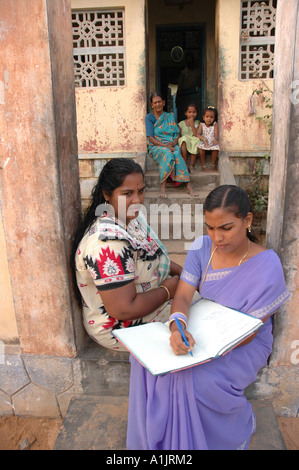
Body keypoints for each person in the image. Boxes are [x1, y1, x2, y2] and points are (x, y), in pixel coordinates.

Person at [126, 185, 289, 450]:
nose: (217, 237)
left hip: (244, 342)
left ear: (247, 221)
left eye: (225, 228)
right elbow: (182, 296)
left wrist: (203, 347)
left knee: (193, 378)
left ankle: (235, 426)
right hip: (202, 328)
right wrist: (178, 326)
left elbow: (252, 332)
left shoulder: (267, 264)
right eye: (210, 228)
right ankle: (167, 441)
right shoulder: (202, 248)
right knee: (143, 360)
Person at [72, 158, 182, 351]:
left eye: (141, 191)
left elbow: (152, 255)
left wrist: (187, 275)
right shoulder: (107, 245)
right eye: (127, 193)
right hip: (122, 327)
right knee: (200, 325)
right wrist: (168, 290)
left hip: (150, 300)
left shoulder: (131, 219)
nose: (137, 200)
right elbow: (123, 309)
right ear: (107, 194)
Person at [145, 92, 197, 199]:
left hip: (171, 143)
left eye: (159, 102)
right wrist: (165, 146)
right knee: (167, 154)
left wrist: (174, 142)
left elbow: (177, 133)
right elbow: (150, 138)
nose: (157, 104)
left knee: (177, 153)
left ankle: (188, 185)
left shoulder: (170, 116)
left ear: (163, 102)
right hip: (156, 145)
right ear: (152, 105)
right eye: (155, 103)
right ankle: (163, 186)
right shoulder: (149, 118)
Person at [178, 103, 201, 174]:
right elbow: (178, 135)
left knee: (196, 140)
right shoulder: (181, 123)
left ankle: (191, 165)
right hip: (184, 140)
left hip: (193, 139)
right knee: (183, 139)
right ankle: (184, 163)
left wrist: (192, 125)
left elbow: (196, 135)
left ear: (197, 113)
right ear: (185, 113)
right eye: (189, 112)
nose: (192, 114)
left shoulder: (198, 123)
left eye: (194, 112)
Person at [197, 106, 220, 172]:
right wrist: (203, 139)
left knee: (216, 148)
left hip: (212, 141)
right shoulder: (202, 124)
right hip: (205, 141)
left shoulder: (215, 124)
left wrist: (215, 139)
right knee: (201, 148)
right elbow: (197, 134)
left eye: (211, 117)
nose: (209, 119)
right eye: (207, 117)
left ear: (214, 118)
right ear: (203, 117)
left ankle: (213, 165)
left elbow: (216, 134)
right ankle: (203, 165)